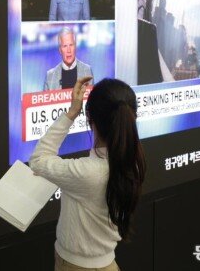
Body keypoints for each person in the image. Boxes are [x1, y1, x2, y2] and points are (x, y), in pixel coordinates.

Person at [30, 77, 146, 271]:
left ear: (91, 118)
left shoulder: (89, 172)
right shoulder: (132, 161)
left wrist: (71, 113)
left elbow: (38, 160)